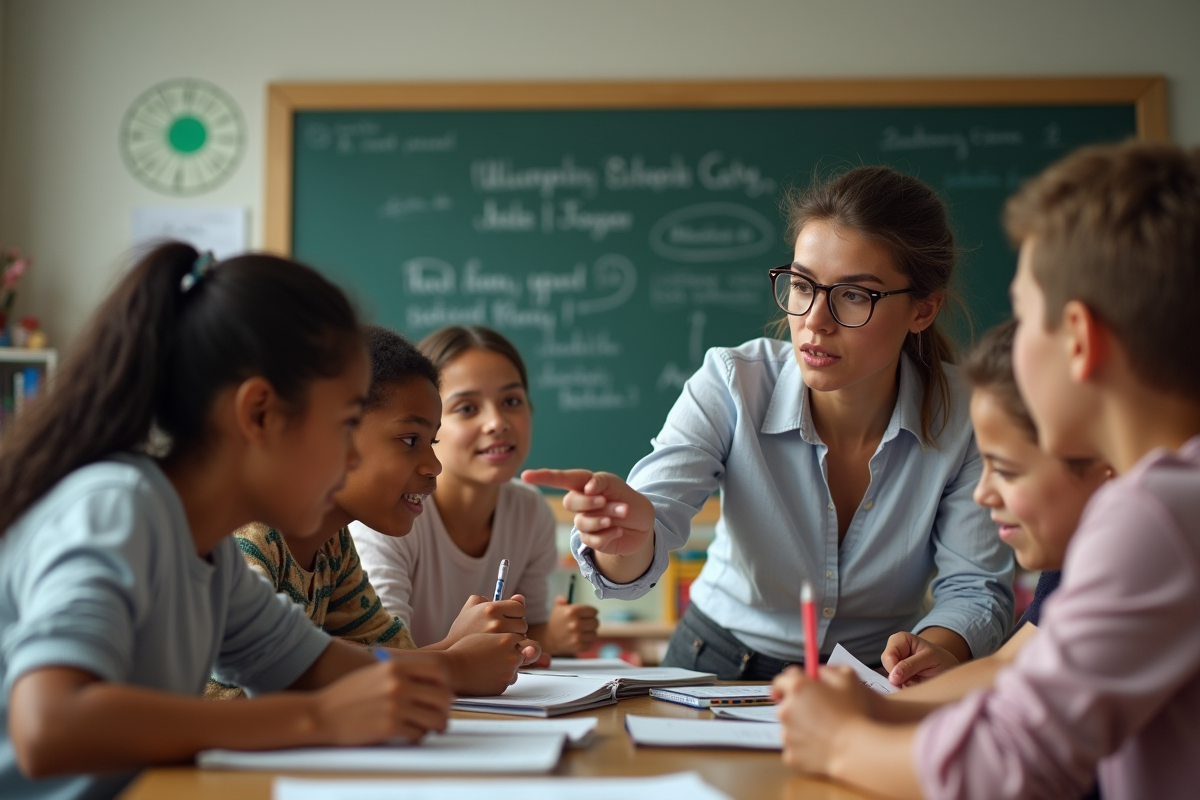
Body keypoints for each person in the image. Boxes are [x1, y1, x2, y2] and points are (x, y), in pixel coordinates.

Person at [774, 140, 1200, 800]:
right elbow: (1027, 676)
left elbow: (1010, 766)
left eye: (1025, 317)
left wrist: (837, 740)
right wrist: (877, 711)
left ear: (1081, 341)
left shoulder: (1155, 514)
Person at [0, 244, 451, 800]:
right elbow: (50, 726)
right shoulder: (117, 509)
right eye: (342, 425)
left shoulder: (212, 557)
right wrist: (318, 720)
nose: (352, 459)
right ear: (258, 413)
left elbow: (313, 668)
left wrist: (420, 679)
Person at [526, 165, 1014, 679]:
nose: (814, 320)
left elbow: (975, 586)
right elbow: (645, 535)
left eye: (854, 295)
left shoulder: (968, 414)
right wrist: (625, 542)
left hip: (876, 676)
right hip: (717, 665)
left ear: (922, 310)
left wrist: (938, 648)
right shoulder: (733, 382)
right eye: (802, 285)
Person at [207, 325, 539, 700]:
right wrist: (454, 665)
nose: (434, 465)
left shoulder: (332, 545)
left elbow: (379, 660)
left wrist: (454, 649)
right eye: (410, 440)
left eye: (431, 443)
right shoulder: (249, 536)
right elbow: (258, 686)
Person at [877, 320, 1110, 703]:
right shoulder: (1074, 561)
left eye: (1005, 470)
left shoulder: (1136, 553)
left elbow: (1016, 735)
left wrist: (848, 731)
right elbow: (1008, 670)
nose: (982, 494)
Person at [354, 326, 599, 656]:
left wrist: (551, 636)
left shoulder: (529, 509)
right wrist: (461, 652)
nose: (497, 422)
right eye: (467, 408)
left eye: (511, 401)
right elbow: (383, 657)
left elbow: (529, 629)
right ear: (428, 419)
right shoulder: (387, 517)